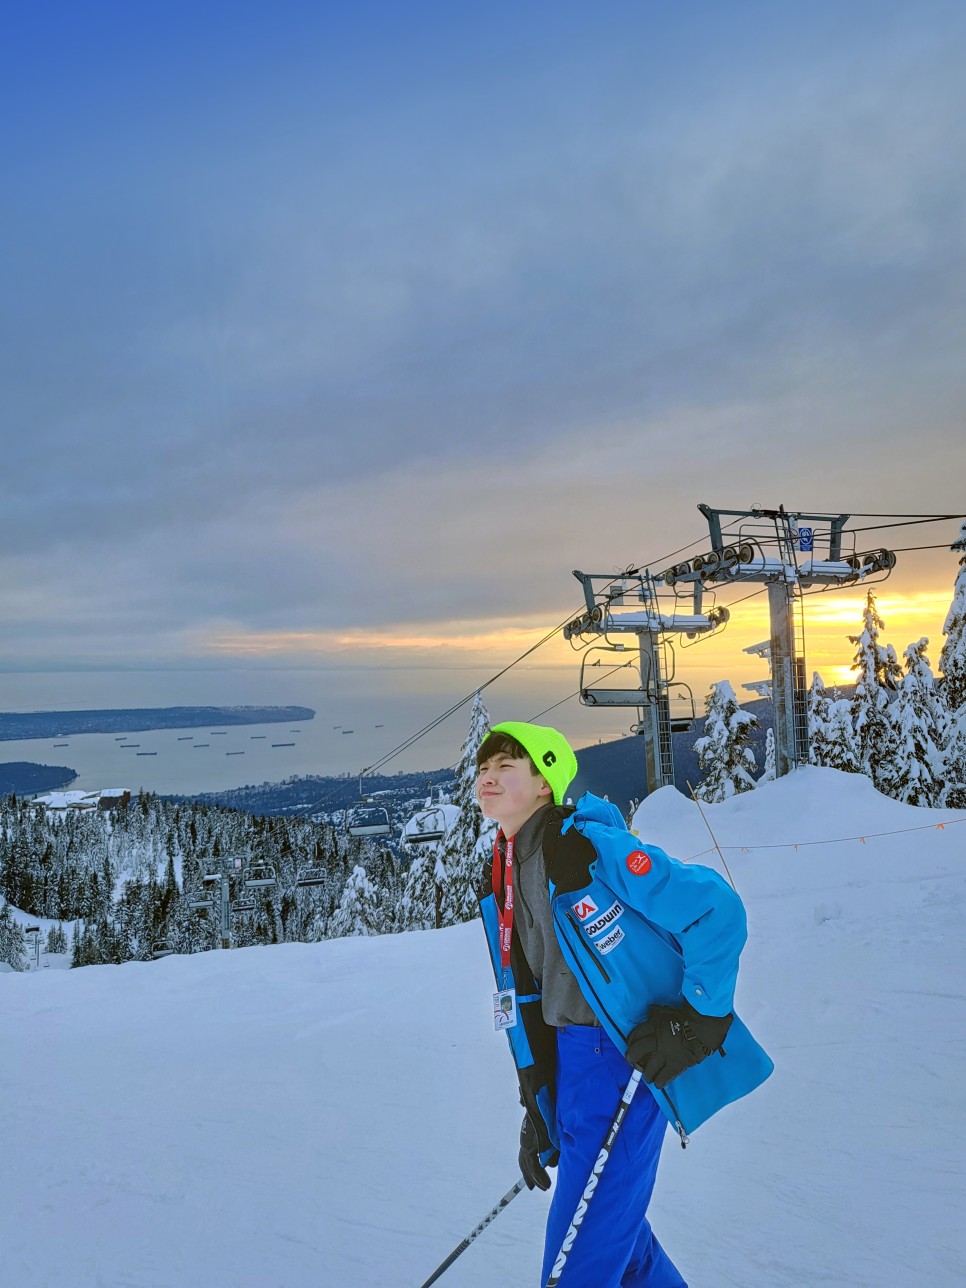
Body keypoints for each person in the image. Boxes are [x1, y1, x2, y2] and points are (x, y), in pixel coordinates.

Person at [475, 720, 772, 1288]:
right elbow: (531, 993)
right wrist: (539, 1100)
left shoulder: (583, 849)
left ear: (545, 783)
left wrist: (698, 1021)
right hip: (576, 1070)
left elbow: (718, 911)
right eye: (484, 769)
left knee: (577, 1266)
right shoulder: (507, 870)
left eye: (506, 767)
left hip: (623, 1065)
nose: (488, 777)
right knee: (623, 1251)